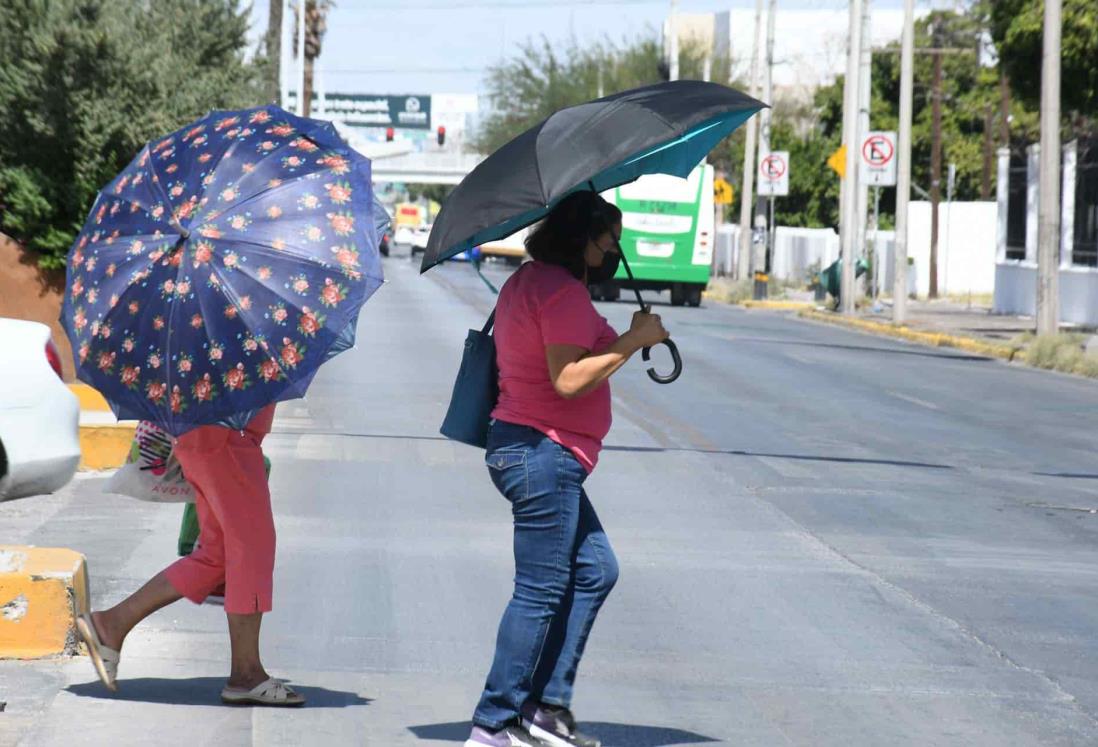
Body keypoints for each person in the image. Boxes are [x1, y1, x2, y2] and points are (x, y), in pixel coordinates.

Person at [465, 192, 669, 747]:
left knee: (596, 569)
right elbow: (568, 379)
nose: (614, 250)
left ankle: (544, 709)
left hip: (531, 450)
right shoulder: (562, 292)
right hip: (542, 452)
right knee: (539, 590)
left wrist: (628, 335)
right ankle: (493, 723)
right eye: (611, 239)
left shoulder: (531, 282)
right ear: (585, 237)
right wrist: (633, 340)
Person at [76, 404, 303, 706]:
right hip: (225, 438)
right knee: (251, 547)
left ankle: (112, 624)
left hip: (214, 437)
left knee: (218, 553)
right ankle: (246, 673)